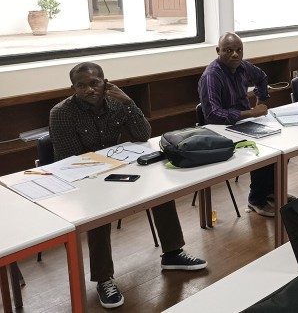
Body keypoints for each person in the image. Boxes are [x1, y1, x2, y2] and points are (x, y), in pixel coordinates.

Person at [50, 62, 206, 309]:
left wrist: (129, 103)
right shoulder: (62, 113)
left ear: (105, 82)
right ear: (73, 88)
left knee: (159, 188)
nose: (89, 89)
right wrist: (106, 167)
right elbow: (69, 160)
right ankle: (104, 279)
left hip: (117, 167)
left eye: (94, 83)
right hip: (84, 178)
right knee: (98, 210)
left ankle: (173, 253)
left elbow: (143, 134)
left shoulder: (116, 102)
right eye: (81, 86)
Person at [198, 32, 278, 217]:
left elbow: (262, 77)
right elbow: (212, 115)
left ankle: (271, 191)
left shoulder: (243, 67)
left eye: (238, 50)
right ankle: (256, 200)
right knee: (262, 150)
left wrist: (261, 100)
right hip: (220, 130)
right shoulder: (211, 76)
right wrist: (251, 112)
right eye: (228, 50)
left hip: (244, 123)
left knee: (278, 142)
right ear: (218, 51)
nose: (235, 54)